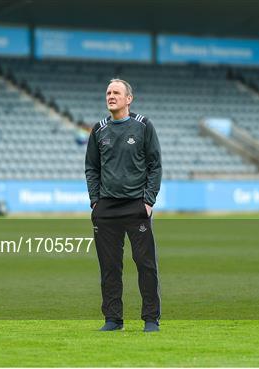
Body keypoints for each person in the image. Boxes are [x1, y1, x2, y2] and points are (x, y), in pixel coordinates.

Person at [85, 79, 162, 332]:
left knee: (145, 265)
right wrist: (95, 201)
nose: (111, 96)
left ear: (129, 99)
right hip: (106, 209)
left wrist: (148, 201)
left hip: (135, 207)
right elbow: (92, 168)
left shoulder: (143, 126)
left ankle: (151, 319)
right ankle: (113, 319)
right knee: (109, 268)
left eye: (116, 92)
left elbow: (155, 165)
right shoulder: (99, 130)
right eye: (108, 92)